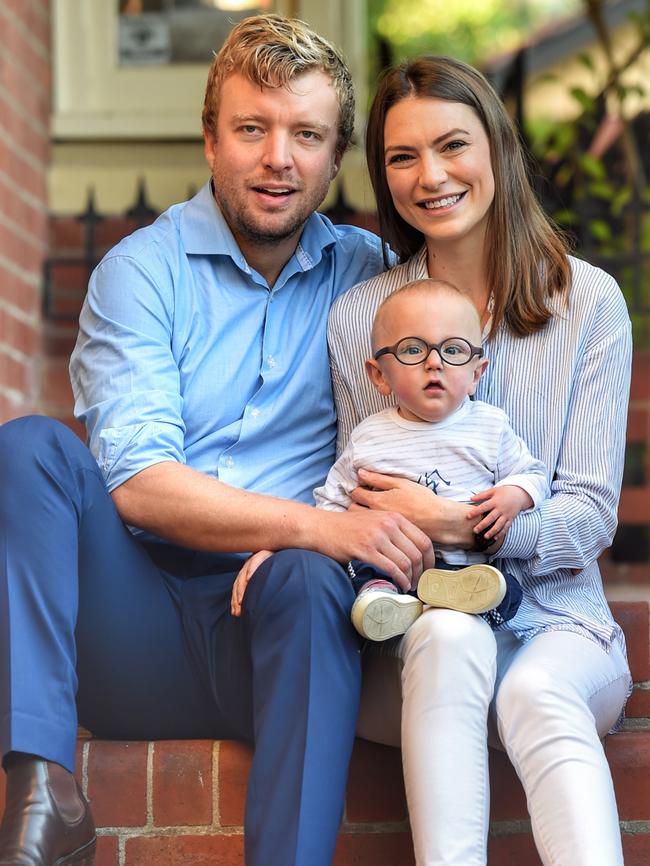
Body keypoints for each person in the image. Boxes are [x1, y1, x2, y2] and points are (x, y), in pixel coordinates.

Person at [0, 16, 434, 866]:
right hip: (135, 629)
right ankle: (43, 789)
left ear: (334, 154)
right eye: (252, 129)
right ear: (210, 140)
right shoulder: (143, 270)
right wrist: (314, 525)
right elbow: (136, 483)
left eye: (306, 134)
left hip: (277, 633)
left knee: (311, 581)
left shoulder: (373, 280)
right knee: (30, 450)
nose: (278, 158)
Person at [327, 56, 633, 865]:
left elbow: (590, 515)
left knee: (534, 692)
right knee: (449, 640)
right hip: (417, 630)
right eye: (401, 156)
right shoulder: (362, 314)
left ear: (495, 146)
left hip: (558, 622)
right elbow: (362, 491)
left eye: (452, 144)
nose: (430, 176)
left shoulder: (588, 302)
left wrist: (465, 522)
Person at [314, 278, 549, 641]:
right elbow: (331, 503)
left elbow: (533, 473)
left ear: (476, 374)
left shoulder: (489, 426)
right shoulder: (368, 437)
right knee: (365, 568)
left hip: (462, 568)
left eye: (453, 350)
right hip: (391, 563)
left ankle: (455, 600)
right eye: (412, 350)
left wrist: (514, 495)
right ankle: (382, 600)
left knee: (504, 589)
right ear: (379, 375)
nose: (434, 363)